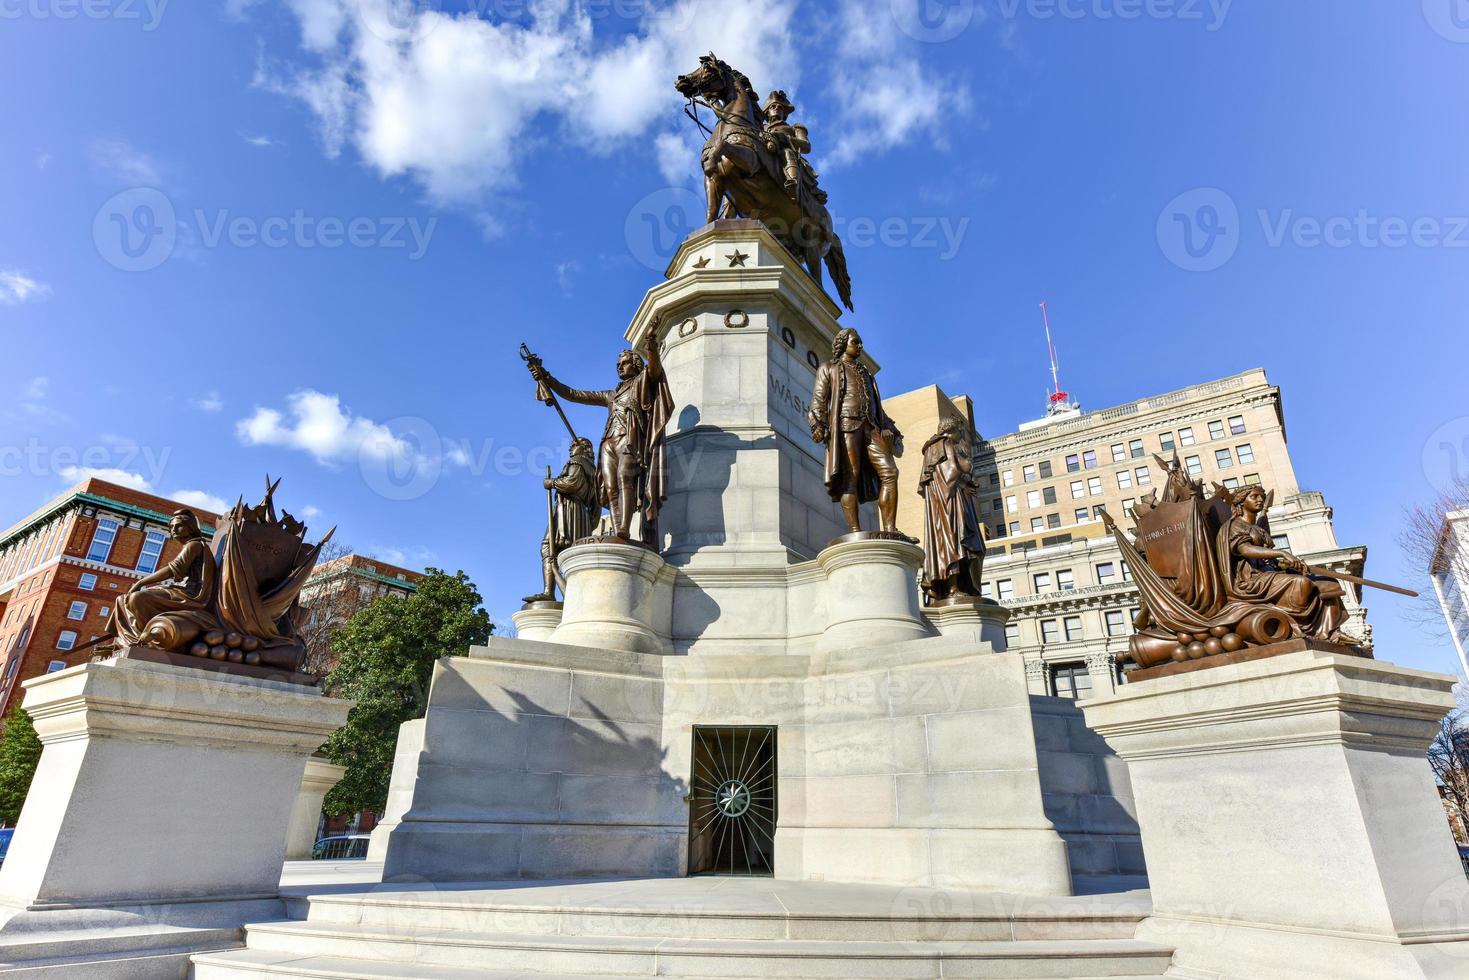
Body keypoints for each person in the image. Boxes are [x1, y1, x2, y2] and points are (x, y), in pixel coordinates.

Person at [528, 335, 674, 545]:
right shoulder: (610, 395)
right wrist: (546, 376)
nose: (620, 367)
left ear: (635, 364)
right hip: (608, 443)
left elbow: (654, 370)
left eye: (624, 363)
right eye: (618, 364)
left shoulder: (642, 383)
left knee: (625, 478)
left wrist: (651, 346)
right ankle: (617, 530)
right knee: (610, 487)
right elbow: (573, 394)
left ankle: (624, 526)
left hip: (629, 439)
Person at [1220, 485, 1354, 642]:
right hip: (1250, 581)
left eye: (1262, 497)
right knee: (1302, 583)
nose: (1260, 500)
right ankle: (1297, 627)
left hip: (1270, 574)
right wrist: (1282, 552)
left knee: (1329, 584)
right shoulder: (1234, 525)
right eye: (1254, 497)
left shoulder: (1257, 529)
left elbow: (1269, 561)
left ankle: (1331, 633)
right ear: (1241, 502)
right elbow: (1246, 549)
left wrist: (1288, 564)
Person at [808, 327, 903, 535]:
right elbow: (818, 401)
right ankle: (855, 530)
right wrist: (818, 425)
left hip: (871, 427)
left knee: (890, 473)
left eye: (860, 342)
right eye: (856, 342)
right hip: (845, 426)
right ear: (843, 344)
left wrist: (887, 427)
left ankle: (890, 529)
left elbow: (878, 407)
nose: (860, 346)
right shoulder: (829, 368)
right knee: (849, 477)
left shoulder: (866, 374)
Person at [108, 509, 217, 649]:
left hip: (192, 595)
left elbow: (172, 569)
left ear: (190, 528)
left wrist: (141, 582)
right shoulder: (192, 545)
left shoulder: (194, 544)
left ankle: (146, 638)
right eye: (171, 527)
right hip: (182, 590)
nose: (174, 530)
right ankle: (128, 638)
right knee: (122, 599)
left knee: (138, 598)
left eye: (178, 526)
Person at [523, 438, 599, 604]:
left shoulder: (577, 462)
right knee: (565, 551)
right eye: (570, 446)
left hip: (568, 510)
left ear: (584, 448)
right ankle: (564, 591)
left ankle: (550, 591)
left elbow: (571, 483)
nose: (571, 448)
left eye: (575, 445)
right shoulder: (593, 470)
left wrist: (552, 483)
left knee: (549, 547)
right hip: (579, 512)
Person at [918, 416, 985, 601]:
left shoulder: (933, 448)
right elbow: (952, 472)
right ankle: (955, 588)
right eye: (960, 432)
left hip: (947, 502)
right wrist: (968, 474)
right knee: (956, 544)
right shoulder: (944, 444)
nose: (962, 436)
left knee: (956, 545)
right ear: (951, 430)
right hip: (951, 503)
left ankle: (959, 586)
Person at [761, 90, 814, 201]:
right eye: (773, 107)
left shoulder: (794, 128)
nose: (776, 109)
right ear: (767, 111)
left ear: (784, 113)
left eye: (780, 108)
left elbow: (806, 146)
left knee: (787, 152)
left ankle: (792, 184)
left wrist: (785, 138)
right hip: (765, 150)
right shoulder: (760, 128)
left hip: (785, 154)